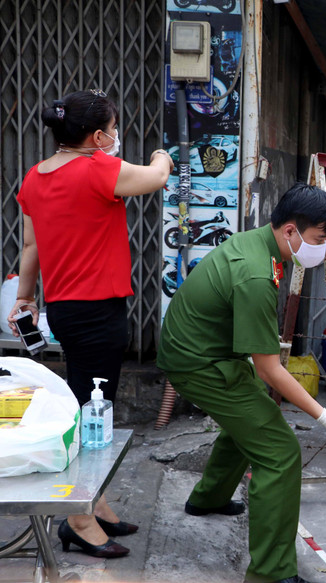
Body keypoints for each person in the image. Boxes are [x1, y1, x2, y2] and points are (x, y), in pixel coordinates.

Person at [157, 183, 326, 583]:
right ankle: (271, 573)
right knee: (280, 452)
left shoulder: (260, 244)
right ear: (289, 231)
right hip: (199, 362)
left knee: (251, 422)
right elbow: (268, 369)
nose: (322, 249)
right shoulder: (256, 272)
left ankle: (208, 499)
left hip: (204, 350)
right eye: (318, 240)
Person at [7, 89, 174, 558]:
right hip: (98, 310)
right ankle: (77, 520)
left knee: (89, 404)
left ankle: (93, 501)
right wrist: (163, 155)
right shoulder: (99, 167)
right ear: (98, 136)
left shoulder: (35, 177)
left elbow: (30, 247)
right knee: (90, 411)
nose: (115, 137)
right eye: (113, 129)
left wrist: (25, 297)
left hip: (63, 307)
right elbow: (157, 177)